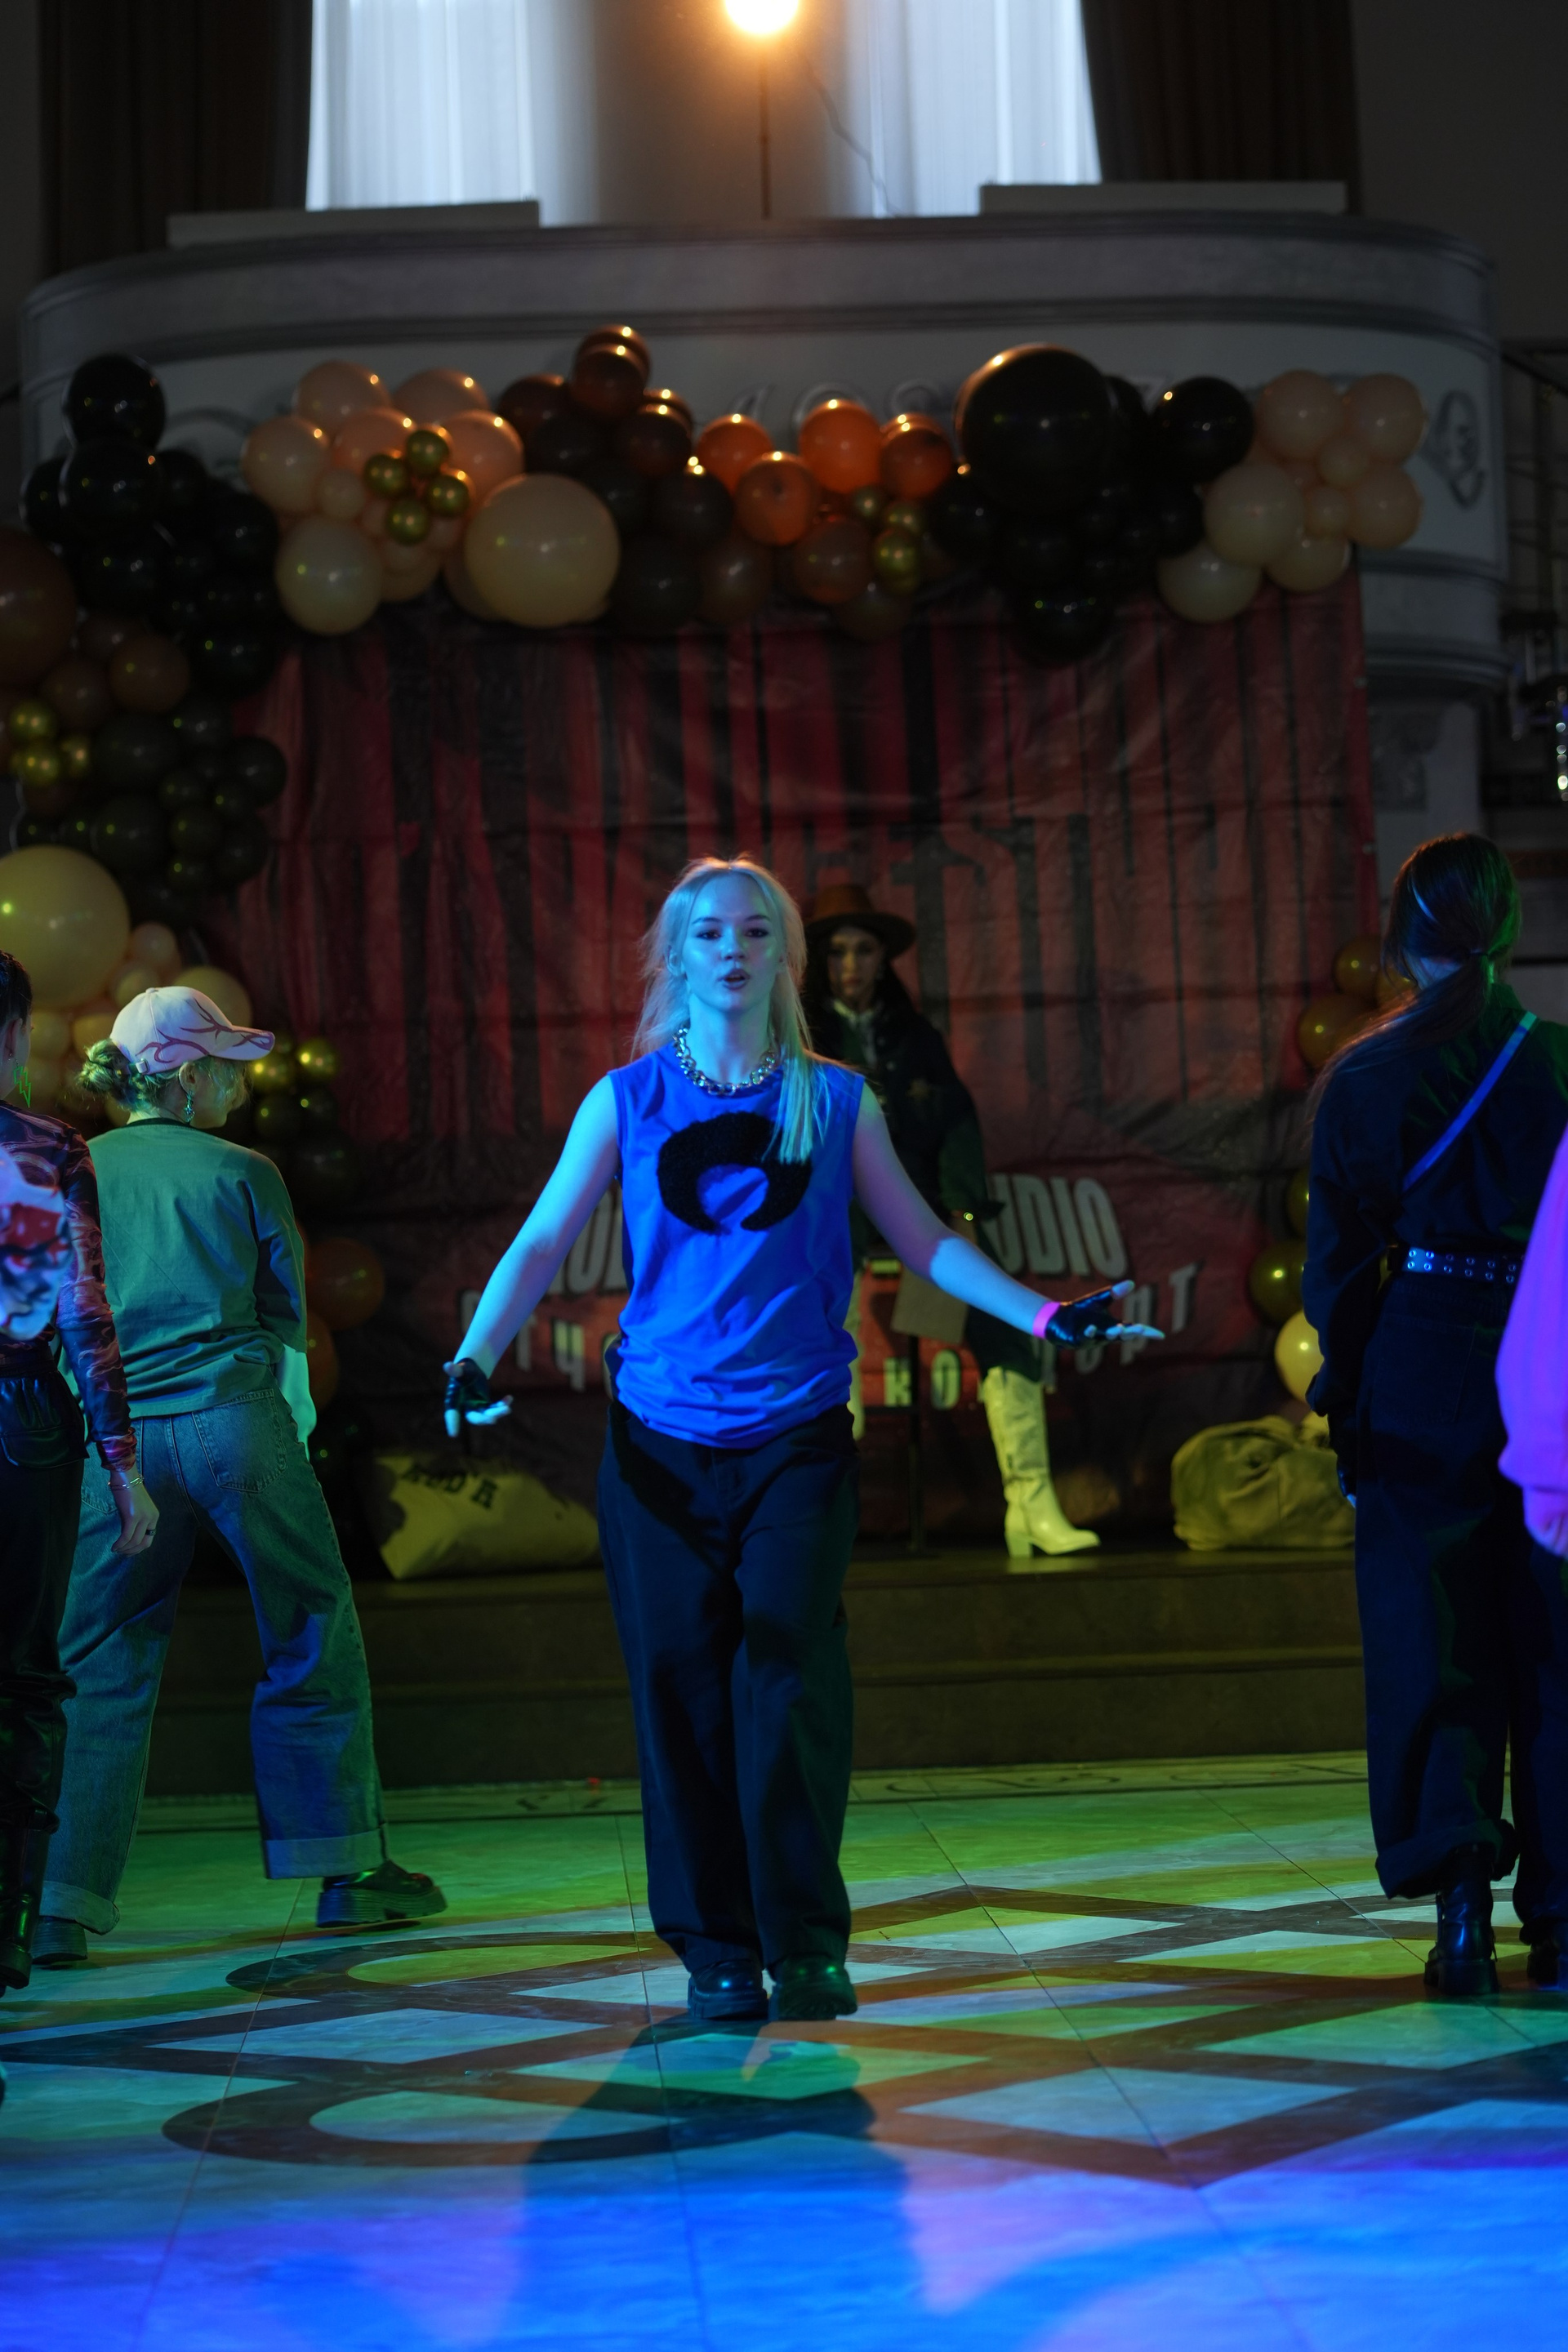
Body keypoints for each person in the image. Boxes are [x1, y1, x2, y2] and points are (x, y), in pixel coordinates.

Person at [446, 856, 1159, 2026]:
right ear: (676, 957)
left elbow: (924, 1241)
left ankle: (806, 1941)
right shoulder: (626, 1099)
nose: (732, 950)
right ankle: (716, 1947)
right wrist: (476, 1353)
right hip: (660, 1445)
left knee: (787, 1678)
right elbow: (538, 1243)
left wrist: (1040, 1315)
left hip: (797, 1440)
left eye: (754, 932)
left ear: (783, 956)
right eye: (709, 933)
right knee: (682, 1694)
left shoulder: (834, 1100)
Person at [33, 984, 443, 1968]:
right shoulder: (245, 1171)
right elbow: (286, 1312)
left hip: (116, 1447)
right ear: (178, 1075)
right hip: (235, 1427)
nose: (239, 1085)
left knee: (97, 1660)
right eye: (222, 1067)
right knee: (309, 1627)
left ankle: (58, 1903)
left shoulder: (72, 1169)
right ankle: (345, 1869)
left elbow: (52, 1317)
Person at [1303, 832, 1568, 1997]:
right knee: (1555, 1643)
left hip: (1421, 1358)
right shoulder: (1559, 1063)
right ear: (1509, 929)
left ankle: (1462, 1916)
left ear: (1405, 937)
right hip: (1551, 1353)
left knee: (1434, 1637)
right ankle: (1563, 1925)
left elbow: (1336, 1273)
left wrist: (1347, 1403)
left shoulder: (1362, 1077)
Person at [803, 883, 1096, 1560]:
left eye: (863, 950)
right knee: (826, 1297)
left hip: (918, 1202)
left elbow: (958, 1123)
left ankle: (1031, 1505)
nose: (851, 965)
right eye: (837, 951)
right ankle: (825, 1499)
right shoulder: (801, 1037)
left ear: (883, 958)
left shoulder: (914, 1036)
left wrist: (963, 1210)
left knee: (1001, 1311)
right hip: (831, 1205)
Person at [0, 949, 157, 2002]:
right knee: (23, 1679)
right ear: (17, 1036)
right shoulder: (50, 1148)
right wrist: (123, 1464)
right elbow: (83, 1313)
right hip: (22, 1421)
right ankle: (13, 1920)